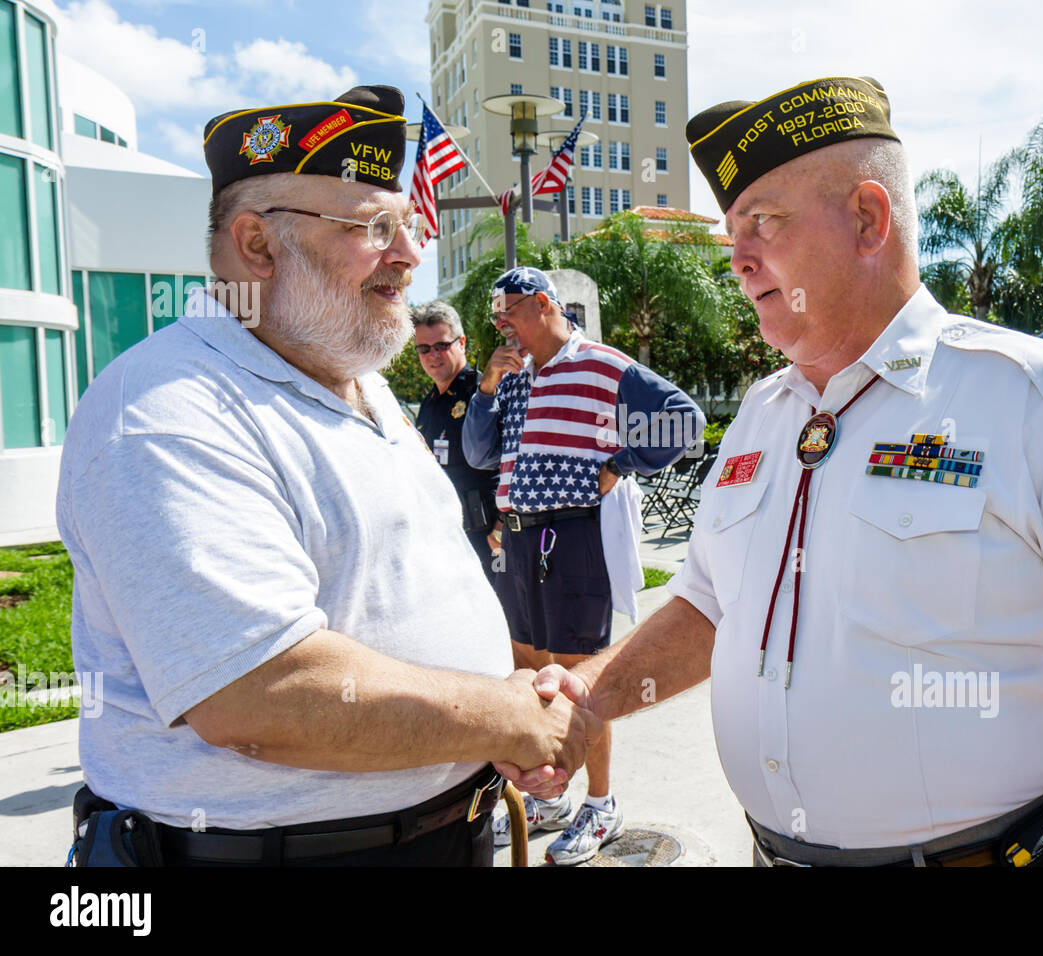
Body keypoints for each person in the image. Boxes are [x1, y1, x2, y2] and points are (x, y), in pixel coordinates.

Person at [502, 75, 1043, 867]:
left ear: (866, 219)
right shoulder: (763, 411)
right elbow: (709, 603)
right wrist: (589, 698)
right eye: (733, 232)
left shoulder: (1031, 394)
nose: (738, 257)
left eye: (763, 223)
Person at [55, 86, 600, 868]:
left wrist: (522, 684)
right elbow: (260, 694)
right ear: (258, 246)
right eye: (376, 230)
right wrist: (501, 714)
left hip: (448, 831)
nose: (411, 256)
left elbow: (392, 592)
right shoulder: (165, 411)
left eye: (408, 226)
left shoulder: (359, 382)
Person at [462, 266, 704, 865]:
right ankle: (551, 793)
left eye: (509, 312)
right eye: (497, 316)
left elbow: (684, 419)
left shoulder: (601, 363)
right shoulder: (514, 375)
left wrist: (617, 464)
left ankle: (601, 801)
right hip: (518, 541)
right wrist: (488, 388)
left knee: (576, 678)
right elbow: (477, 452)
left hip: (570, 538)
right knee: (529, 669)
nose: (501, 325)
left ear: (543, 305)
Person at [413, 301, 499, 576]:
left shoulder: (484, 392)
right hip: (444, 534)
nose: (433, 355)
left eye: (442, 345)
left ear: (461, 343)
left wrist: (503, 526)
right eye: (424, 349)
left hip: (487, 534)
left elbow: (512, 461)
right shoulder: (429, 403)